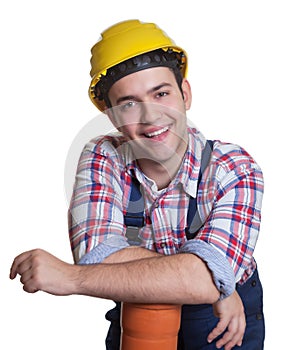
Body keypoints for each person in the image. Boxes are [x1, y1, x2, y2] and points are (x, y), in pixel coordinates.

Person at [10, 19, 265, 349]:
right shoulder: (103, 155)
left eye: (161, 93)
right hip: (138, 311)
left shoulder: (233, 167)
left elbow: (203, 281)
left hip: (224, 322)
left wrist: (72, 279)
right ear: (111, 114)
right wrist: (209, 279)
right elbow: (96, 258)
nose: (150, 116)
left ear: (185, 94)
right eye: (128, 103)